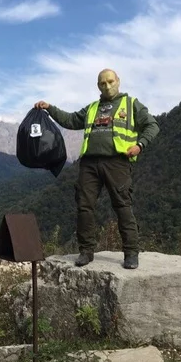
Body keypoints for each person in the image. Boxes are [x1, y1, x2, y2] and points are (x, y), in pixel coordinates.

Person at [34, 68, 159, 269]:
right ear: (98, 86)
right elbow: (70, 119)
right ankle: (86, 252)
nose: (107, 86)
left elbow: (152, 125)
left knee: (122, 206)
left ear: (118, 81)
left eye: (110, 81)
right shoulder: (92, 108)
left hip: (117, 162)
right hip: (89, 164)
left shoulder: (131, 104)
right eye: (103, 83)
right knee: (84, 207)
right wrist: (49, 107)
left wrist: (140, 145)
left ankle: (131, 253)